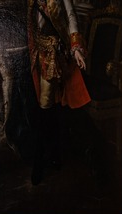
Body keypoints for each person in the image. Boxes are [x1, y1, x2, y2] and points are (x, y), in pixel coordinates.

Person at [26, 0, 91, 184]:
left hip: (53, 54)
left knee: (45, 104)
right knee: (46, 104)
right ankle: (55, 154)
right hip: (35, 52)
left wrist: (76, 49)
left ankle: (39, 164)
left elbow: (71, 17)